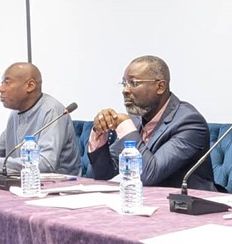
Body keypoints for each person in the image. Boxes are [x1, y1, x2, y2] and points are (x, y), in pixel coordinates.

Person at [87, 55, 217, 191]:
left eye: (134, 83)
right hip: (144, 202)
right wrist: (100, 134)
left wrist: (124, 125)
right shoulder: (136, 119)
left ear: (160, 86)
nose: (125, 90)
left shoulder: (189, 123)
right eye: (124, 83)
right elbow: (105, 173)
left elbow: (149, 174)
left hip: (188, 206)